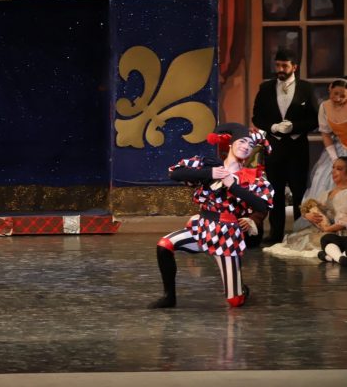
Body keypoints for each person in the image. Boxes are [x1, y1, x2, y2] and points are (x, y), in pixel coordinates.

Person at [148, 123, 273, 309]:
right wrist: (210, 173)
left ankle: (240, 289)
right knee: (164, 245)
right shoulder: (209, 164)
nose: (246, 146)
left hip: (228, 234)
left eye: (250, 144)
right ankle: (169, 297)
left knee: (234, 301)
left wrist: (233, 185)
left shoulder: (253, 178)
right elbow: (174, 173)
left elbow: (262, 205)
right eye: (242, 141)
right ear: (230, 144)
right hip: (203, 227)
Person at [252, 47, 319, 244]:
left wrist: (294, 127)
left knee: (299, 192)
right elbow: (257, 117)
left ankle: (300, 233)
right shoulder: (265, 88)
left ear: (294, 67)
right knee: (275, 193)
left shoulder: (306, 88)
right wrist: (272, 127)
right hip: (274, 148)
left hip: (298, 149)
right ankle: (276, 234)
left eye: (284, 65)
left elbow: (315, 119)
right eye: (278, 65)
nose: (280, 69)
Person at [264, 157, 347, 258]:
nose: (333, 171)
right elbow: (311, 208)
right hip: (325, 229)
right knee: (296, 239)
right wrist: (309, 216)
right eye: (333, 168)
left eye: (339, 169)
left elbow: (344, 221)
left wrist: (328, 229)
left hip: (338, 233)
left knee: (321, 241)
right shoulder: (327, 193)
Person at [303, 79, 347, 200]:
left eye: (343, 96)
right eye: (335, 94)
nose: (338, 98)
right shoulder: (324, 107)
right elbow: (326, 134)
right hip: (338, 148)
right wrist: (335, 159)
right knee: (324, 175)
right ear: (330, 90)